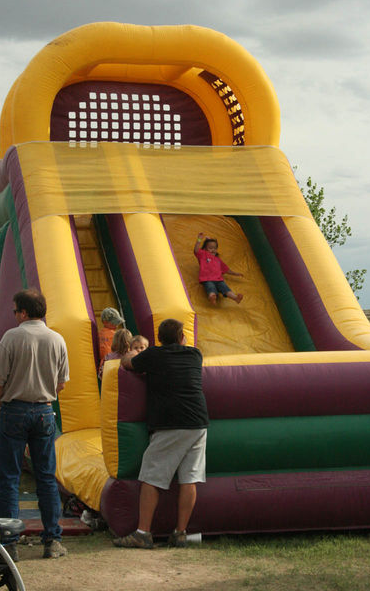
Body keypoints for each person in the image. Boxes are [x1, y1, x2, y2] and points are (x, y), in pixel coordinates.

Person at [114, 318, 208, 549]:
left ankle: (143, 532)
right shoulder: (195, 355)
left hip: (170, 422)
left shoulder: (154, 355)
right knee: (189, 478)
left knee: (150, 477)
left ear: (159, 339)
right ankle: (181, 532)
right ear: (181, 338)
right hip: (197, 421)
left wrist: (127, 356)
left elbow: (128, 363)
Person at [0, 288, 69, 561]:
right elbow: (61, 383)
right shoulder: (57, 339)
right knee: (46, 478)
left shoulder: (12, 338)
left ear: (23, 312)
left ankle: (9, 543)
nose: (14, 316)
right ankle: (52, 540)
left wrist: (5, 399)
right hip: (45, 411)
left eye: (15, 311)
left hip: (14, 410)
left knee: (9, 479)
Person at [194, 232, 244, 305]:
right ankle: (212, 298)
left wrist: (235, 273)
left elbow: (226, 269)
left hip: (219, 279)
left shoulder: (218, 260)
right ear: (205, 249)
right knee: (210, 288)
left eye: (215, 248)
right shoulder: (203, 255)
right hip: (207, 279)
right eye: (210, 248)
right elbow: (196, 250)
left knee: (225, 288)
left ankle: (235, 298)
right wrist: (199, 240)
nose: (213, 250)